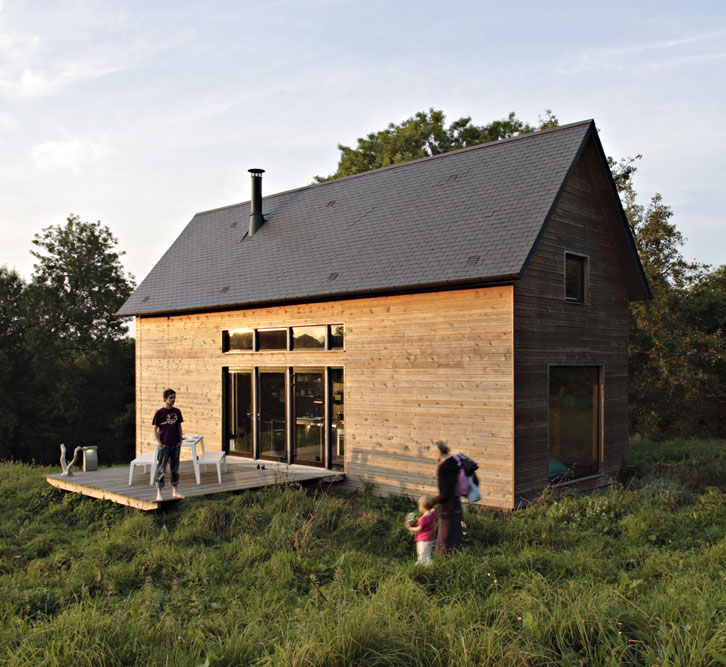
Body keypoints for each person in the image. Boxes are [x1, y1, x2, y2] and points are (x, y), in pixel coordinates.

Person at [152, 388, 184, 502]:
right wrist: (159, 443)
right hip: (164, 445)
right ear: (165, 399)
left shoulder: (177, 412)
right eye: (171, 398)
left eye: (174, 397)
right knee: (161, 469)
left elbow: (179, 427)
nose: (173, 400)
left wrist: (180, 441)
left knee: (175, 469)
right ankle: (159, 493)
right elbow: (155, 429)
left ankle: (175, 491)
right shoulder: (159, 413)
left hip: (175, 444)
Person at [431, 440, 463, 554]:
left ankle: (441, 566)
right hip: (457, 505)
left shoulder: (443, 468)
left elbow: (445, 494)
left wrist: (432, 502)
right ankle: (455, 562)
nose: (432, 455)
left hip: (448, 509)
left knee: (443, 542)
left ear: (438, 452)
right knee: (455, 540)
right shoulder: (454, 462)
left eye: (433, 452)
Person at [405, 495, 436, 565]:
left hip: (423, 540)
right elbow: (433, 509)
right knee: (426, 554)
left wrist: (409, 528)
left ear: (423, 507)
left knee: (423, 555)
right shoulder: (432, 514)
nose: (419, 507)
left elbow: (419, 528)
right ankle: (419, 564)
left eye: (419, 506)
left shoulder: (423, 519)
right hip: (430, 539)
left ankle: (429, 567)